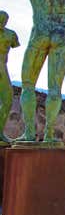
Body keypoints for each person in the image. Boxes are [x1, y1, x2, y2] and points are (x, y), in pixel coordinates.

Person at [12, 0, 65, 144]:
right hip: (62, 35)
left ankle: (29, 133)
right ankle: (49, 134)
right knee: (55, 88)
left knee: (28, 85)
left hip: (40, 32)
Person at [0, 11, 20, 144]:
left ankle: (0, 132)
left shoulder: (10, 34)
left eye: (4, 20)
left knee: (8, 100)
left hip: (2, 67)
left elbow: (15, 44)